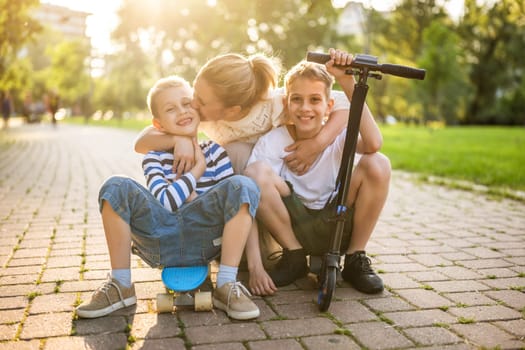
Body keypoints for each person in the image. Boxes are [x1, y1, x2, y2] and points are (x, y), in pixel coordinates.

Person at [76, 76, 261, 320]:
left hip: (207, 242)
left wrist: (257, 264)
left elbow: (230, 205)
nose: (182, 112)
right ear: (158, 123)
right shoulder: (155, 157)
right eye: (170, 109)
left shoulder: (215, 152)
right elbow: (165, 203)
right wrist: (196, 171)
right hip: (162, 240)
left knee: (243, 185)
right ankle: (121, 284)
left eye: (187, 104)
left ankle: (226, 285)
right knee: (115, 186)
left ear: (196, 106)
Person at [244, 49, 391, 294]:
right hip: (294, 227)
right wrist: (255, 266)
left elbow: (374, 143)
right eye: (296, 99)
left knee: (378, 163)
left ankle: (355, 259)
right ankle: (294, 258)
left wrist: (347, 80)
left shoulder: (340, 138)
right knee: (254, 174)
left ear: (329, 106)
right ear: (286, 103)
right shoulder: (273, 141)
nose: (305, 108)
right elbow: (249, 194)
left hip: (337, 222)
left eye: (315, 100)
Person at [134, 52, 351, 175]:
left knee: (241, 153)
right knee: (235, 152)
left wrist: (317, 143)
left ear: (231, 111)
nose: (192, 102)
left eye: (201, 100)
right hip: (246, 173)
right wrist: (177, 139)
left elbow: (346, 105)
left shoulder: (275, 102)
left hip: (284, 168)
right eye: (194, 91)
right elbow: (141, 142)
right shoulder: (200, 114)